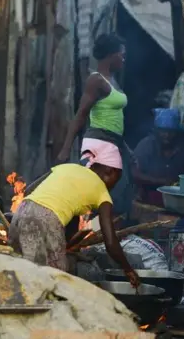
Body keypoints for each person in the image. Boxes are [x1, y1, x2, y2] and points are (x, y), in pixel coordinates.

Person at [10, 142, 140, 286]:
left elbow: (28, 191)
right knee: (55, 281)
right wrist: (128, 269)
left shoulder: (68, 168)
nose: (114, 186)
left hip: (20, 214)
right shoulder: (102, 192)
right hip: (46, 220)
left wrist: (66, 244)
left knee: (20, 274)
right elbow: (110, 241)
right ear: (111, 171)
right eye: (117, 180)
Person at [56, 34, 134, 215]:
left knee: (116, 199)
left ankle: (104, 238)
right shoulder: (96, 80)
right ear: (111, 55)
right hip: (99, 145)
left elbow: (114, 120)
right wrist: (65, 149)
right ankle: (88, 237)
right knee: (95, 198)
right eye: (121, 55)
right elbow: (81, 114)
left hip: (114, 144)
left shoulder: (113, 81)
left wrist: (126, 148)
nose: (123, 59)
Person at [133, 108, 184, 206]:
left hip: (177, 201)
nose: (166, 135)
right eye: (163, 131)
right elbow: (134, 173)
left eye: (171, 131)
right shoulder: (146, 145)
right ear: (156, 130)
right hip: (147, 197)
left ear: (177, 132)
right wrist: (160, 181)